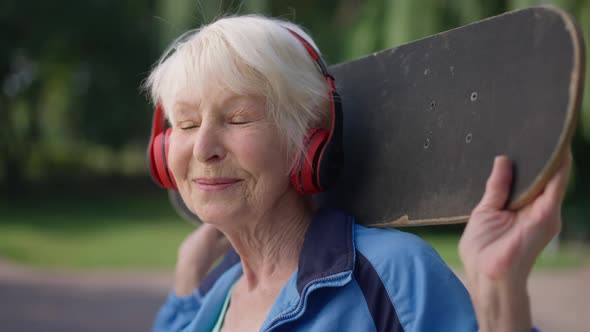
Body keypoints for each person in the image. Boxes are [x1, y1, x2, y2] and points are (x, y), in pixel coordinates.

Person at [143, 14, 571, 332]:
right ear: (163, 152)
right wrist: (185, 289)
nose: (203, 149)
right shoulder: (217, 295)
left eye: (238, 118)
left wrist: (500, 297)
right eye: (186, 124)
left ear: (308, 141)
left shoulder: (394, 273)